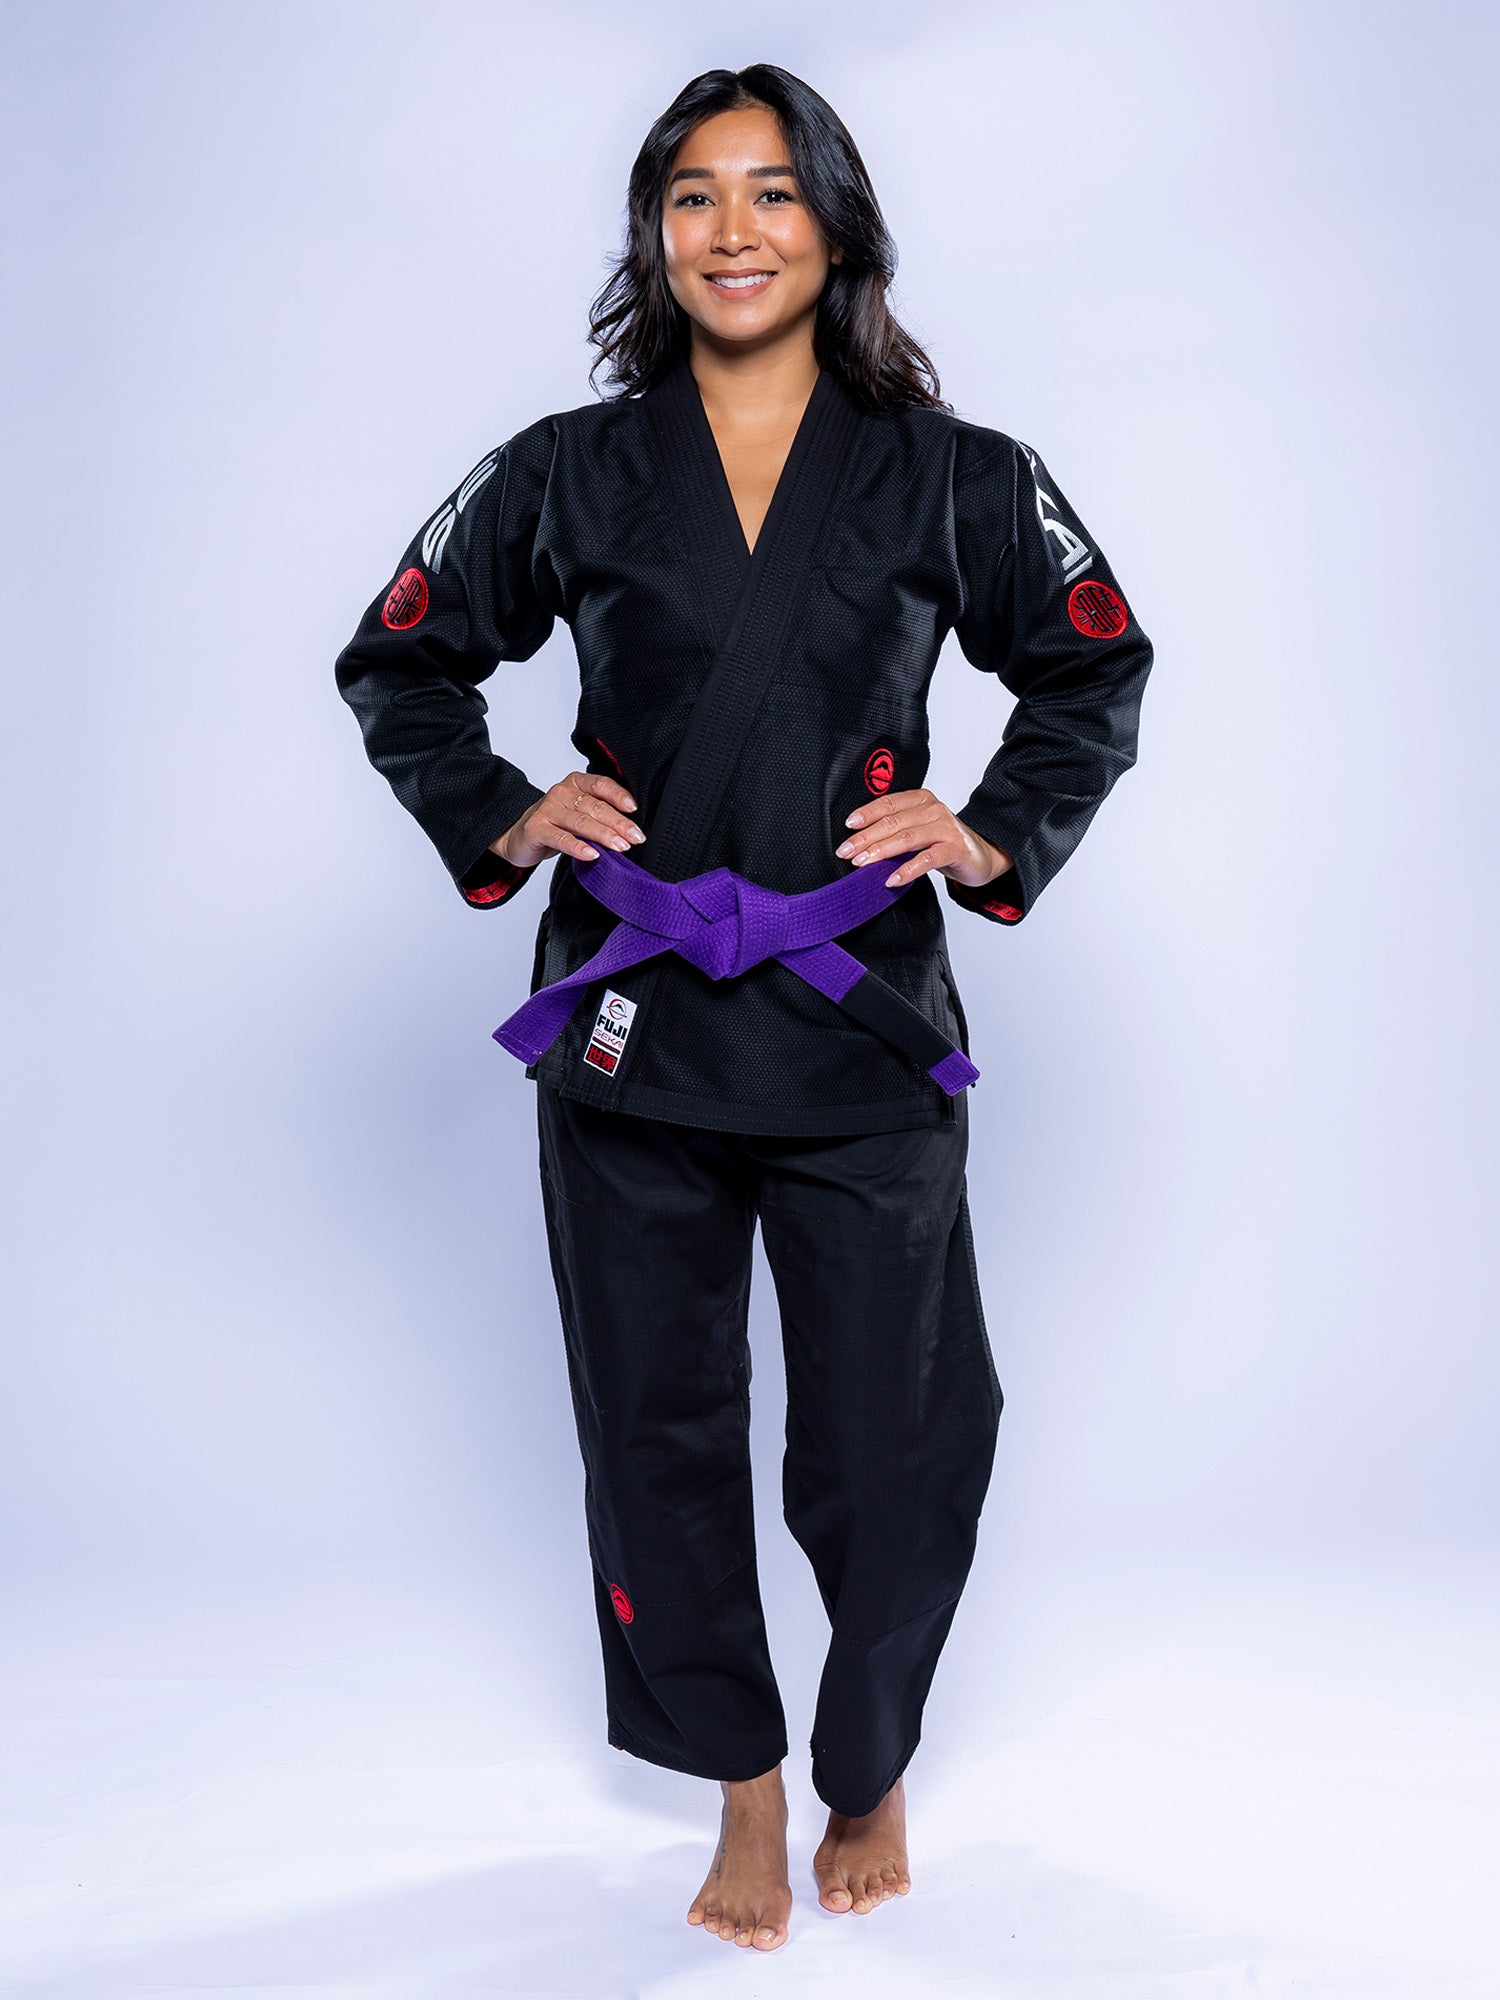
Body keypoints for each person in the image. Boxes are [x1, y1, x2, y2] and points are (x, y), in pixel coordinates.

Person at [335, 63, 1152, 1953]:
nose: (733, 230)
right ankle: (748, 1786)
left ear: (839, 225)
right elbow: (400, 656)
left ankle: (868, 1757)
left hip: (859, 1012)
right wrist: (500, 810)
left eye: (774, 194)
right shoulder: (564, 467)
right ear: (655, 235)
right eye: (694, 197)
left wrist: (994, 825)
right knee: (659, 1423)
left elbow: (1095, 675)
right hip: (634, 1029)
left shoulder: (960, 473)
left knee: (898, 1430)